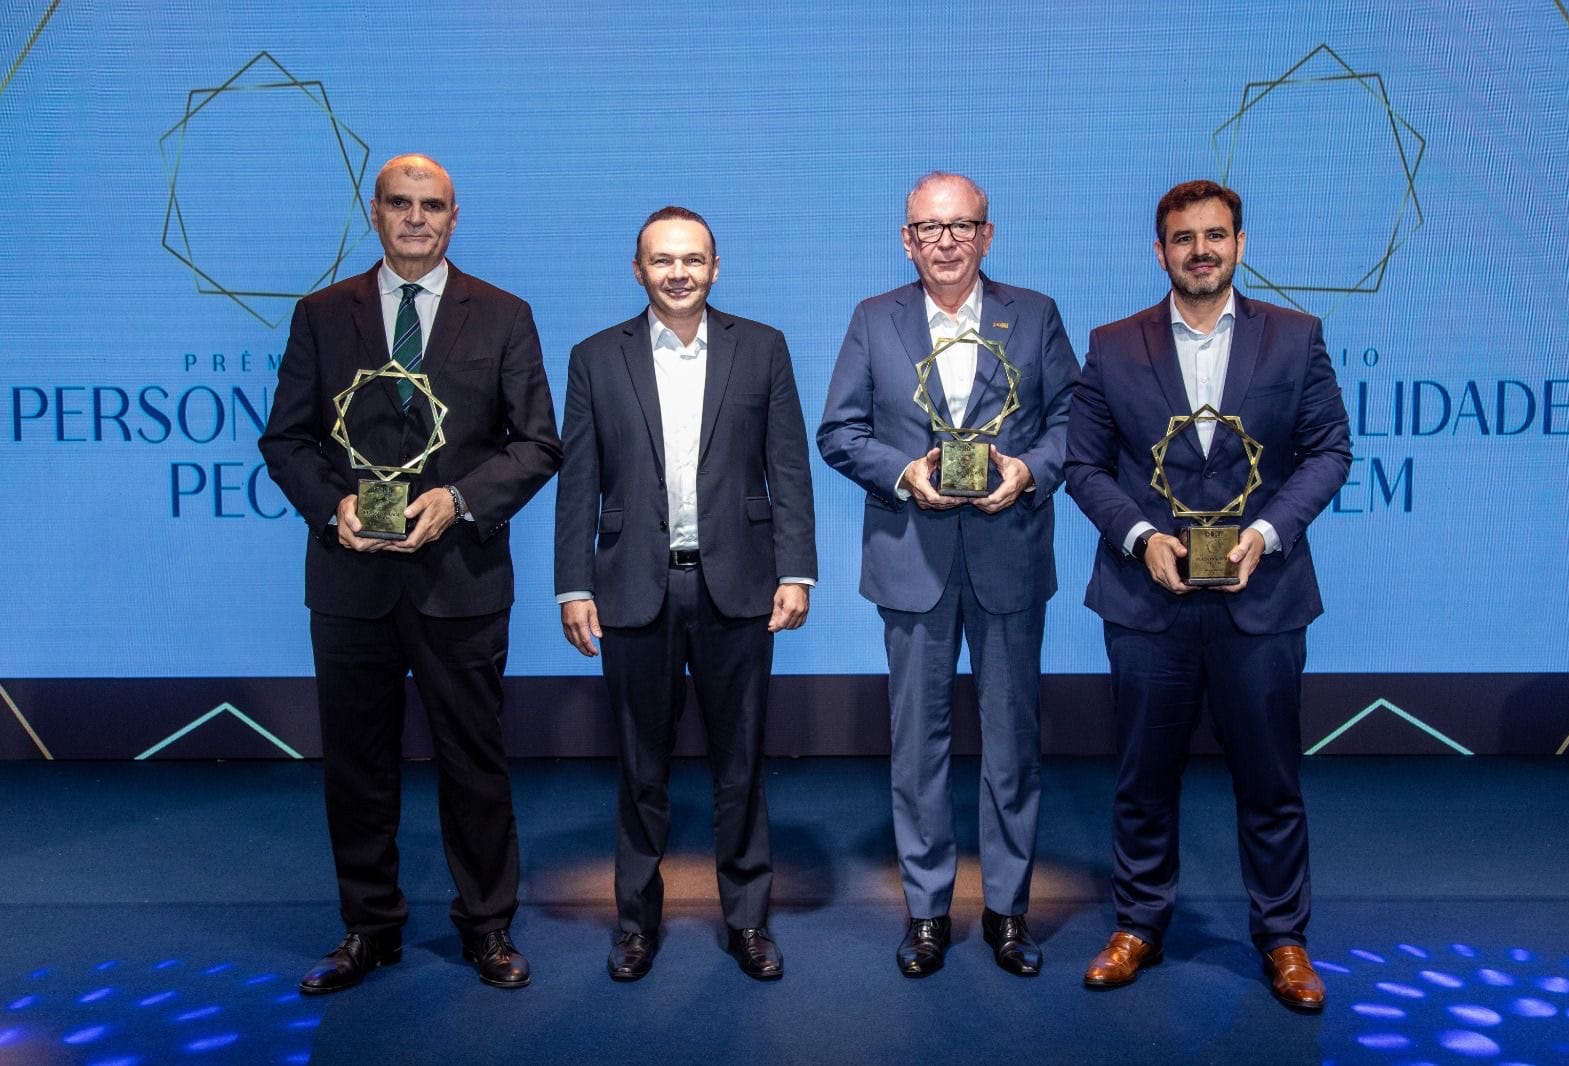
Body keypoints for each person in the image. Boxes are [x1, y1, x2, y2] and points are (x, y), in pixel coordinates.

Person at [260, 153, 561, 994]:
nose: (416, 218)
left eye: (432, 205)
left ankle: (487, 926)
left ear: (454, 217)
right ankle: (369, 928)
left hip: (459, 577)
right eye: (401, 203)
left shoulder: (503, 315)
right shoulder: (323, 315)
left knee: (474, 761)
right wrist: (334, 508)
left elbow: (538, 443)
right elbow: (285, 439)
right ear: (376, 211)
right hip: (350, 578)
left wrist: (458, 501)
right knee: (357, 764)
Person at [1063, 179, 1351, 1011]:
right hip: (1146, 601)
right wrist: (1140, 537)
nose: (1201, 251)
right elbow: (1083, 464)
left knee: (1270, 781)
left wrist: (1265, 535)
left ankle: (1284, 939)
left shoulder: (1295, 338)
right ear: (1160, 252)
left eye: (1215, 236)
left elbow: (1329, 450)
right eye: (1184, 238)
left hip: (1262, 600)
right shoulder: (1113, 345)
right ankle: (1138, 925)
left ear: (1239, 244)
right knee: (1143, 778)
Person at [816, 172, 1078, 978]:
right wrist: (904, 473)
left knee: (1013, 748)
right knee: (916, 748)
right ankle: (927, 913)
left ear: (987, 234)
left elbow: (1074, 422)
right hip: (912, 561)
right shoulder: (874, 319)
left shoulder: (1035, 315)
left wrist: (1029, 472)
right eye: (929, 228)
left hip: (1010, 556)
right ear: (907, 240)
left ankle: (1007, 913)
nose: (946, 242)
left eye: (962, 226)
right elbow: (839, 432)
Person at [554, 206, 817, 982]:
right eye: (663, 260)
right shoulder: (594, 357)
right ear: (638, 270)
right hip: (633, 587)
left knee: (742, 765)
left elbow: (788, 466)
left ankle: (748, 922)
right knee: (640, 770)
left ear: (715, 268)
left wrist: (796, 571)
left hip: (740, 584)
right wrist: (574, 584)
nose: (679, 273)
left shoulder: (762, 347)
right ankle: (636, 925)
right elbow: (578, 483)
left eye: (693, 259)